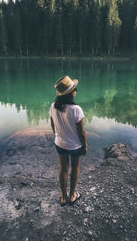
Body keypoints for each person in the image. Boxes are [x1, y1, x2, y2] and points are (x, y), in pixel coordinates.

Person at [49, 75, 87, 206]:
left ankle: (63, 197)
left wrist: (58, 136)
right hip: (75, 146)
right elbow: (81, 133)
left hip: (60, 143)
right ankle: (72, 196)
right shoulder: (76, 109)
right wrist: (85, 146)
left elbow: (53, 125)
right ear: (71, 92)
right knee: (75, 167)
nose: (76, 90)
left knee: (63, 169)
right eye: (75, 88)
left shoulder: (53, 106)